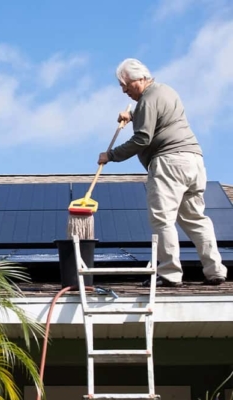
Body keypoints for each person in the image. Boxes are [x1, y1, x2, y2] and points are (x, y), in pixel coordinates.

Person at [98, 58, 227, 287]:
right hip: (193, 162)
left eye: (125, 84)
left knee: (162, 218)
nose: (124, 90)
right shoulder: (166, 91)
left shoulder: (148, 99)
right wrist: (133, 116)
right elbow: (160, 119)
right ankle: (215, 270)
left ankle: (169, 273)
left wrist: (112, 155)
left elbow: (143, 138)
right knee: (196, 219)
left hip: (169, 164)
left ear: (139, 79)